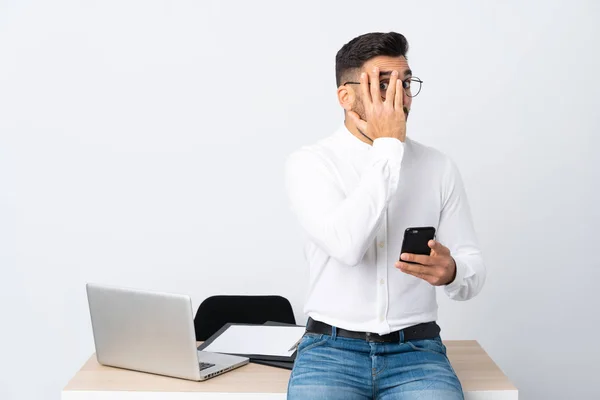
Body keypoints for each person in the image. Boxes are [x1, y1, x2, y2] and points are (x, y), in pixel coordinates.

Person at [284, 32, 486, 400]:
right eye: (383, 85)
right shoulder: (311, 164)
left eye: (406, 84)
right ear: (346, 96)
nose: (401, 98)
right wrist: (388, 147)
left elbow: (473, 263)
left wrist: (454, 271)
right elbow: (346, 246)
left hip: (417, 353)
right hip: (329, 350)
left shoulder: (438, 167)